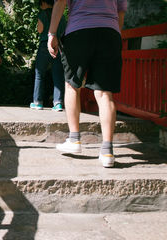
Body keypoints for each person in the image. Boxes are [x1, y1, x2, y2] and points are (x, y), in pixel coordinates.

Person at [47, 0, 127, 167]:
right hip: (110, 32)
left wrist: (52, 33)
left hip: (79, 31)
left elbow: (61, 1)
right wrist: (116, 36)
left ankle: (74, 139)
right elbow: (121, 11)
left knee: (72, 85)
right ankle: (107, 151)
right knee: (105, 93)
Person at [30, 0, 66, 111]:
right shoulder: (61, 15)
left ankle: (37, 102)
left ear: (44, 3)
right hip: (58, 45)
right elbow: (64, 30)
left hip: (45, 45)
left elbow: (40, 30)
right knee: (58, 74)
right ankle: (58, 103)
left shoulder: (42, 14)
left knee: (40, 73)